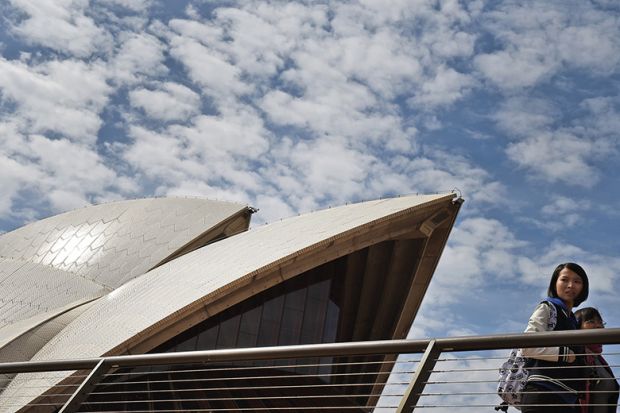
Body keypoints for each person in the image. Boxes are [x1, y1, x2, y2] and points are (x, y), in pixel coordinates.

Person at [520, 262, 589, 413]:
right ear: (554, 283)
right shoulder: (548, 307)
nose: (570, 285)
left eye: (577, 281)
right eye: (564, 280)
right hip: (542, 393)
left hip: (567, 399)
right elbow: (527, 346)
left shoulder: (572, 319)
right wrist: (565, 355)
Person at [575, 307, 619, 413]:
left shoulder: (600, 361)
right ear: (577, 327)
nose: (599, 325)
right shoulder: (574, 357)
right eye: (591, 321)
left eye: (600, 322)